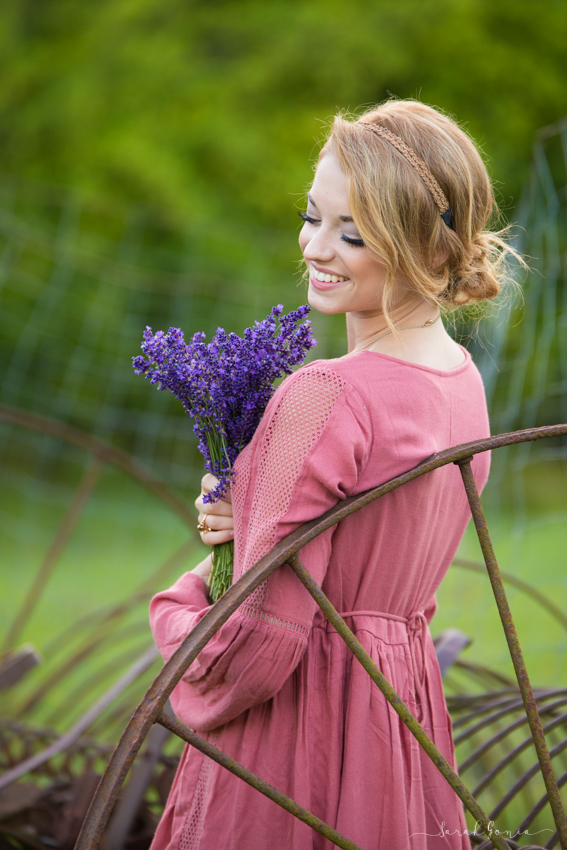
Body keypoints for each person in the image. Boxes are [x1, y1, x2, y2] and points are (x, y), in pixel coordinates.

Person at [149, 99, 520, 850]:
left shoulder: (325, 394)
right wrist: (246, 518)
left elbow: (251, 650)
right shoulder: (460, 383)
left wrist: (180, 605)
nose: (315, 246)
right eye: (313, 215)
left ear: (431, 250)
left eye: (351, 233)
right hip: (399, 718)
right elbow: (372, 556)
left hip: (298, 738)